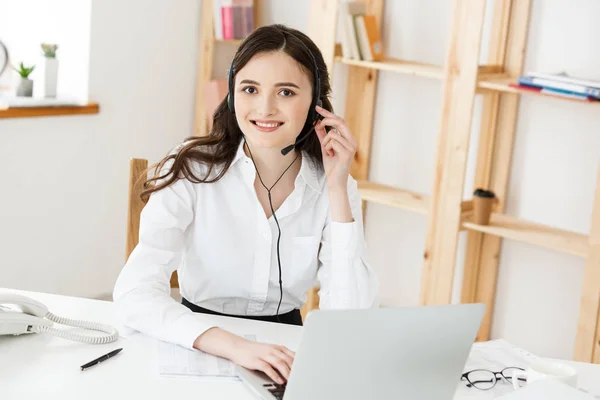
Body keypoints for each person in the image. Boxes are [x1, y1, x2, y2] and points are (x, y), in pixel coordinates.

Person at [113, 24, 379, 385]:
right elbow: (133, 294)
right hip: (196, 342)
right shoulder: (193, 169)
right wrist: (234, 346)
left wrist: (336, 188)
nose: (265, 108)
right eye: (250, 89)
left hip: (286, 356)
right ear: (232, 95)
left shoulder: (334, 183)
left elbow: (351, 322)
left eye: (286, 92)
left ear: (316, 102)